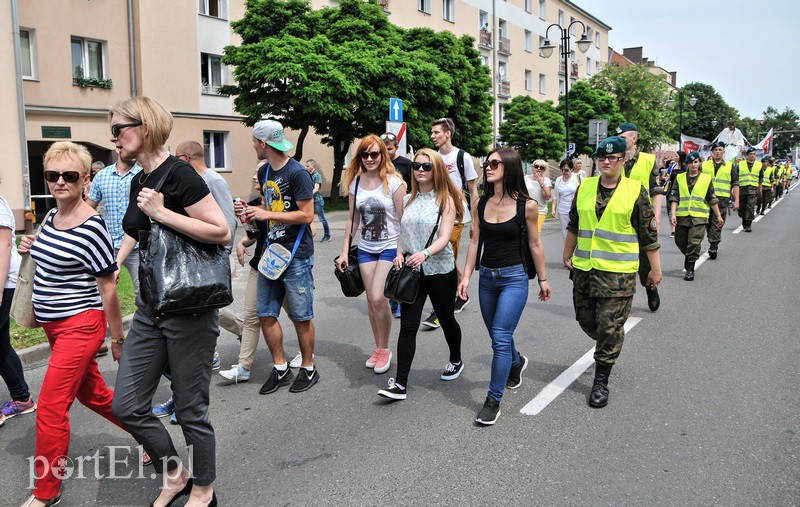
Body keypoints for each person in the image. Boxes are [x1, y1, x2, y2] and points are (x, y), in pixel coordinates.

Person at [109, 97, 230, 507]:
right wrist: (115, 261)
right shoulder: (136, 179)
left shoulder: (178, 174)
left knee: (191, 408)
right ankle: (176, 473)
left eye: (118, 129)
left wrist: (163, 213)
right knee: (126, 404)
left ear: (143, 127)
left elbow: (220, 231)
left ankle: (204, 487)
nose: (113, 138)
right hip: (150, 305)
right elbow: (137, 229)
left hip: (189, 307)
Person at [18, 141, 128, 507]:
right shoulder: (51, 217)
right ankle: (149, 434)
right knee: (93, 395)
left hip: (80, 326)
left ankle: (46, 492)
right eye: (52, 175)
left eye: (69, 175)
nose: (59, 182)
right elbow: (56, 257)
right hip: (53, 327)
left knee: (50, 408)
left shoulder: (92, 226)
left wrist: (116, 337)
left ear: (85, 179)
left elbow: (108, 284)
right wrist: (32, 246)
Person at [563, 136, 662, 409]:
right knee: (586, 321)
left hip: (618, 276)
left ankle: (601, 379)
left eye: (613, 157)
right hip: (585, 271)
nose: (607, 162)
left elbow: (648, 234)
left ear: (623, 160)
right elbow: (575, 224)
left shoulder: (635, 190)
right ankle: (610, 340)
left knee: (609, 326)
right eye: (602, 157)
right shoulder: (585, 187)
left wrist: (655, 269)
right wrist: (566, 253)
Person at [458, 147, 551, 426]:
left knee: (499, 336)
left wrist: (544, 280)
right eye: (487, 163)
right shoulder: (482, 203)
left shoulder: (527, 206)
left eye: (495, 163)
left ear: (508, 167)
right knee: (498, 336)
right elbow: (474, 242)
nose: (488, 167)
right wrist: (465, 277)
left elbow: (535, 244)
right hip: (486, 278)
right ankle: (516, 362)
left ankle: (493, 400)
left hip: (514, 278)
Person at [148, 141, 240, 422]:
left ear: (186, 158)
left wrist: (221, 256)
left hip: (208, 262)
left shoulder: (212, 180)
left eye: (176, 158)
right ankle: (183, 401)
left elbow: (226, 222)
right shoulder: (190, 178)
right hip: (184, 265)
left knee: (211, 316)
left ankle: (189, 407)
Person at [237, 119, 318, 395]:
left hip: (296, 254)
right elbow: (267, 208)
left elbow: (307, 216)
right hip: (271, 253)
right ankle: (281, 367)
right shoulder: (265, 172)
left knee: (300, 316)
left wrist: (267, 213)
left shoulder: (297, 173)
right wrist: (250, 214)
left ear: (262, 143)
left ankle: (308, 368)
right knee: (265, 314)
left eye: (253, 142)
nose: (253, 147)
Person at [377, 149, 464, 400]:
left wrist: (425, 253)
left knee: (446, 319)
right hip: (413, 272)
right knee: (408, 326)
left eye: (427, 166)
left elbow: (445, 237)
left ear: (436, 170)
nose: (421, 170)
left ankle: (456, 360)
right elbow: (403, 231)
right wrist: (399, 253)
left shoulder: (445, 199)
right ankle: (401, 384)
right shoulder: (407, 199)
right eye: (417, 166)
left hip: (440, 270)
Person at [338, 134, 405, 374]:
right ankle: (378, 348)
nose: (369, 159)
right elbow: (352, 218)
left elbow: (402, 220)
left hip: (388, 247)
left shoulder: (395, 183)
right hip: (366, 248)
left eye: (374, 154)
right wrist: (345, 250)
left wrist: (399, 250)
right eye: (365, 154)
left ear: (382, 155)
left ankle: (385, 349)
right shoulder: (356, 182)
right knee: (369, 301)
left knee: (379, 298)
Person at [86, 148, 143, 358]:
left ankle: (143, 341)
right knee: (101, 294)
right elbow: (88, 209)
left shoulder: (143, 173)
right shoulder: (102, 176)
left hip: (139, 246)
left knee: (144, 295)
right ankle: (101, 339)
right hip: (108, 247)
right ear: (118, 148)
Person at [425, 117, 479, 328]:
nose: (433, 136)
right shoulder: (433, 157)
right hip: (435, 215)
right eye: (432, 133)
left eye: (436, 132)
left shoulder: (462, 157)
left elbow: (474, 189)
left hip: (456, 216)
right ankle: (461, 293)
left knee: (443, 258)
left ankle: (440, 310)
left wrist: (475, 220)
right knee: (446, 257)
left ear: (447, 133)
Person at [219, 165, 269, 383]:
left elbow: (310, 230)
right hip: (260, 265)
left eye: (257, 173)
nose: (253, 176)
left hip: (282, 266)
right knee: (250, 316)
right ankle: (244, 367)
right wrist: (244, 234)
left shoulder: (282, 203)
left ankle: (306, 357)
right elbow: (255, 234)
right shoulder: (255, 203)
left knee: (297, 315)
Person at [614, 122, 662, 312]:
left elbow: (657, 191)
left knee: (646, 261)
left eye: (623, 138)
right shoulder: (613, 159)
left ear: (634, 138)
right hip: (618, 217)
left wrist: (656, 217)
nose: (620, 141)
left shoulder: (649, 161)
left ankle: (651, 287)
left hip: (643, 218)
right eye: (617, 138)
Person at [0, 191, 35, 430]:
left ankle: (22, 398)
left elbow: (3, 245)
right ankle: (22, 399)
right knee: (1, 345)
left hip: (3, 282)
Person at [669, 151, 724, 281]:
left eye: (696, 162)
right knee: (680, 241)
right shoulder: (680, 177)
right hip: (682, 216)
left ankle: (690, 268)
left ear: (699, 163)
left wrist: (719, 216)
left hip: (699, 217)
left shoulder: (706, 178)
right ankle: (690, 257)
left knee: (694, 242)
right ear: (687, 164)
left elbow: (712, 198)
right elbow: (674, 196)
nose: (693, 165)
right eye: (691, 162)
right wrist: (673, 214)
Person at [701, 141, 738, 259]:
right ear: (712, 152)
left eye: (720, 150)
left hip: (722, 198)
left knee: (717, 222)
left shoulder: (730, 166)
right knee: (706, 222)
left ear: (723, 152)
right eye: (715, 150)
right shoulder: (704, 165)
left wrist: (736, 200)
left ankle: (713, 245)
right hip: (705, 198)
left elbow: (735, 183)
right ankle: (712, 239)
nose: (718, 152)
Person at [552, 158, 579, 239]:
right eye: (562, 170)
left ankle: (574, 250)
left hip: (575, 210)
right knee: (565, 233)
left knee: (575, 232)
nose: (564, 172)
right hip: (562, 210)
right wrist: (553, 208)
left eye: (566, 170)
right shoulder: (558, 180)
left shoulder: (577, 178)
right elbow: (555, 196)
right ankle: (567, 251)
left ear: (571, 169)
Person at [524, 159, 553, 236]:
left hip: (540, 210)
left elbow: (547, 196)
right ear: (533, 167)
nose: (538, 169)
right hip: (526, 209)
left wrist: (541, 183)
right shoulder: (526, 178)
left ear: (544, 170)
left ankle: (534, 247)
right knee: (526, 233)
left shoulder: (546, 181)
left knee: (536, 233)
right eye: (536, 166)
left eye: (541, 167)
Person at [736, 147, 762, 232]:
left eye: (754, 154)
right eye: (750, 154)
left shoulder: (759, 165)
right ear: (747, 155)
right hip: (742, 189)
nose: (752, 155)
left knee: (750, 206)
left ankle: (748, 225)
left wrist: (760, 190)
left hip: (753, 189)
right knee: (742, 207)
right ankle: (744, 220)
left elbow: (760, 179)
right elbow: (735, 178)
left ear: (756, 155)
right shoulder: (740, 164)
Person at [305, 159, 331, 242]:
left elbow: (316, 189)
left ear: (313, 166)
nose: (306, 167)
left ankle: (328, 235)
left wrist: (307, 195)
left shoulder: (317, 175)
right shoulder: (308, 175)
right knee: (308, 218)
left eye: (307, 166)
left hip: (317, 200)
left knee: (322, 219)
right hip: (310, 200)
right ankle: (309, 235)